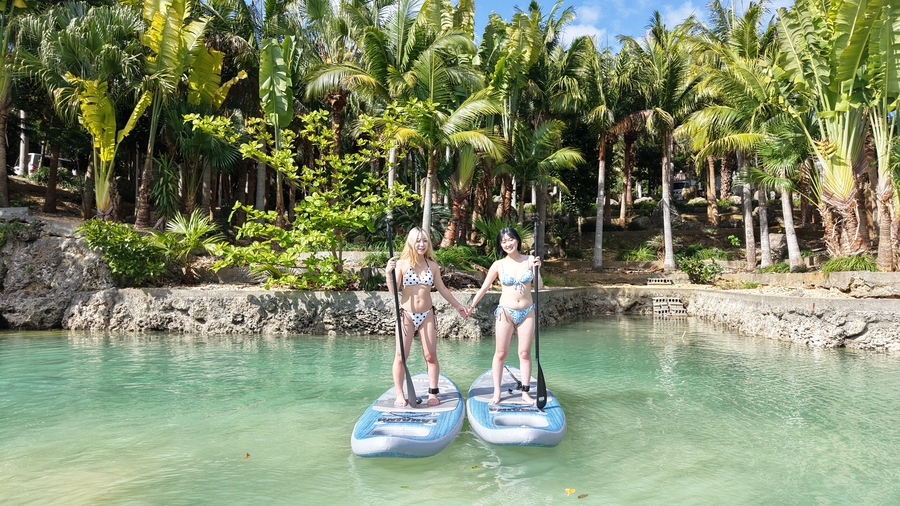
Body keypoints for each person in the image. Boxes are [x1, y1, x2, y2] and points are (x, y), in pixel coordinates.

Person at [386, 227, 469, 407]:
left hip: (427, 314)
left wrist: (458, 306)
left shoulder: (432, 266)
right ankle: (400, 394)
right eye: (418, 241)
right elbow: (394, 292)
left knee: (430, 356)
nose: (421, 244)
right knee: (401, 356)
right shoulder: (401, 264)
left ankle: (433, 393)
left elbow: (443, 289)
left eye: (425, 241)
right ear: (410, 242)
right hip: (406, 314)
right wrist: (388, 273)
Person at [467, 227, 542, 405]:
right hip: (505, 312)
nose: (507, 244)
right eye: (503, 241)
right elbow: (484, 288)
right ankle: (497, 392)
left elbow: (540, 286)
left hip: (527, 312)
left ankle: (525, 393)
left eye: (510, 239)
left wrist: (537, 269)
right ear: (500, 245)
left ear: (517, 240)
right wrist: (470, 307)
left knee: (524, 353)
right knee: (500, 353)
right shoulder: (498, 265)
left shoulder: (530, 260)